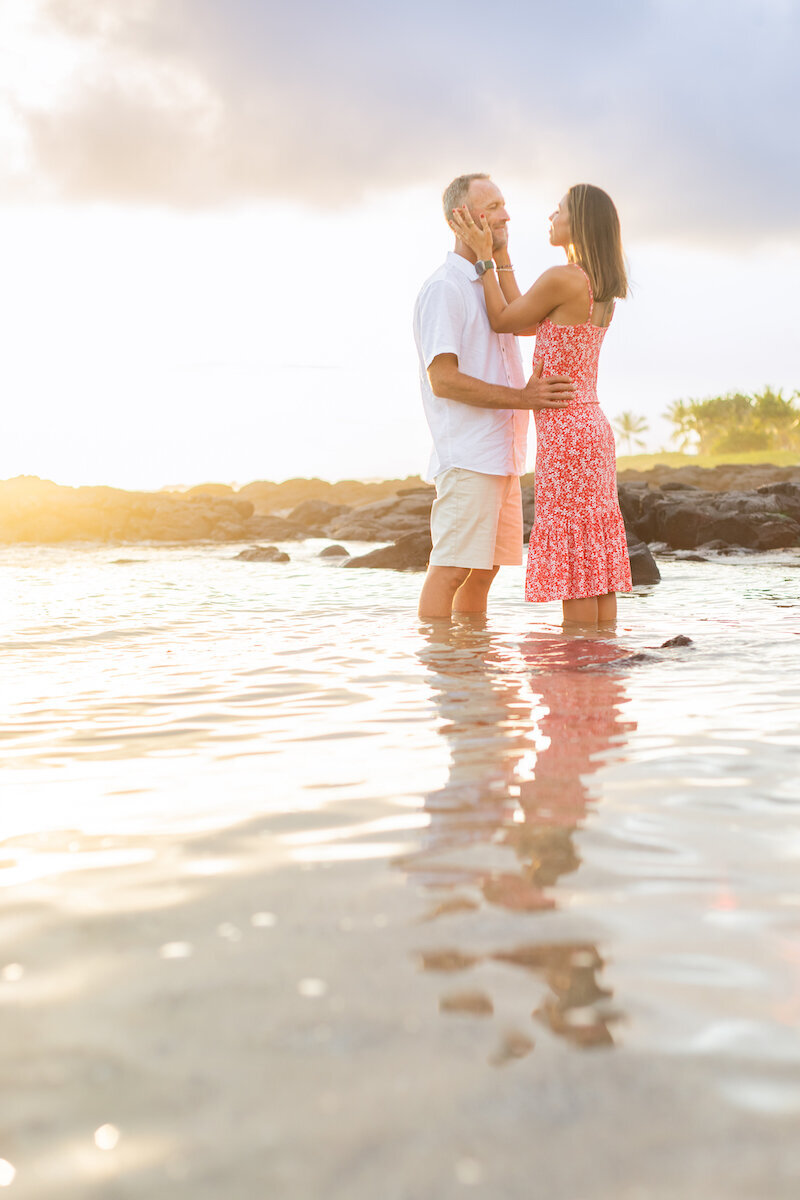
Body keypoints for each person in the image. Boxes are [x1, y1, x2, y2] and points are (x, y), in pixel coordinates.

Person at [449, 184, 632, 626]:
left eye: (560, 210)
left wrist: (483, 259)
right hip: (590, 426)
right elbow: (526, 318)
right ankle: (599, 668)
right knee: (596, 562)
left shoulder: (562, 278)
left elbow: (502, 320)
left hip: (566, 433)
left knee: (575, 567)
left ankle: (575, 674)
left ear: (580, 223)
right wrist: (503, 257)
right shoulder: (593, 283)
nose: (551, 216)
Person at [413, 174, 575, 621]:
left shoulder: (485, 281)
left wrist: (498, 255)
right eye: (492, 207)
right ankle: (446, 678)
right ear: (459, 219)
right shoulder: (445, 288)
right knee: (450, 571)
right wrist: (525, 398)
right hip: (469, 457)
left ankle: (473, 669)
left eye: (505, 205)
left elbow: (522, 322)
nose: (506, 215)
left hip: (503, 456)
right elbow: (443, 380)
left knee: (483, 574)